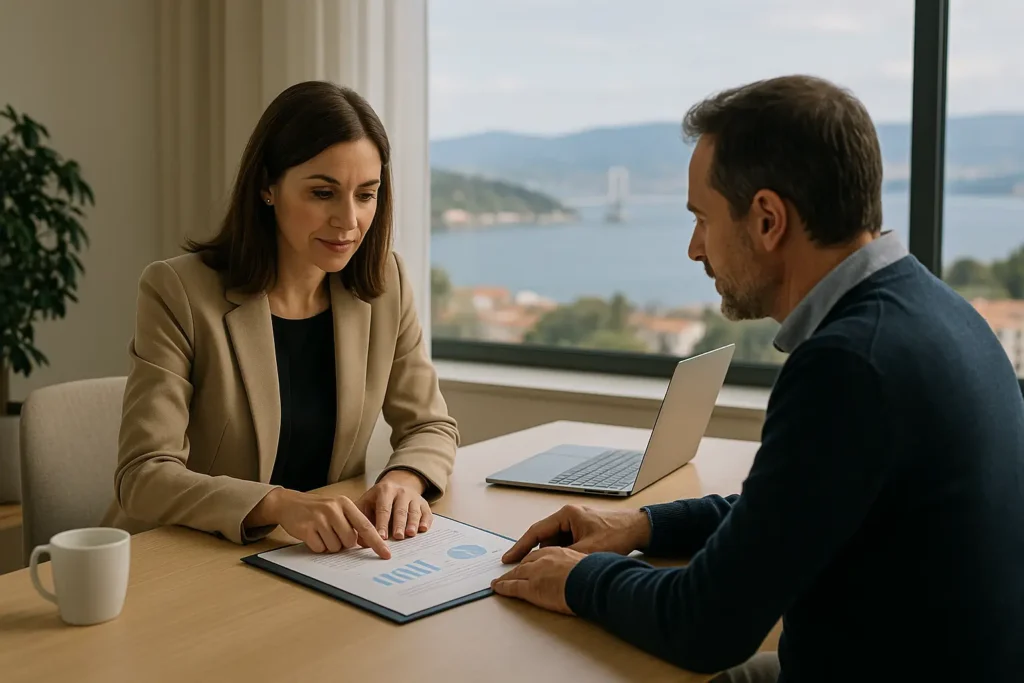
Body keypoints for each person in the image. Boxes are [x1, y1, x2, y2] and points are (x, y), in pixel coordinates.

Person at [490, 75, 1024, 682]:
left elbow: (703, 625)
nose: (695, 249)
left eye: (703, 219)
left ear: (768, 219)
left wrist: (579, 577)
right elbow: (789, 513)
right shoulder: (938, 312)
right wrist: (644, 526)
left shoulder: (849, 365)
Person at [103, 82, 458, 559]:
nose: (349, 220)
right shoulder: (177, 291)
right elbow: (143, 474)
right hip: (185, 556)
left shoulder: (385, 283)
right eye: (323, 193)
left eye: (366, 195)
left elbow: (430, 425)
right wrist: (277, 505)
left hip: (317, 557)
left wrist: (404, 479)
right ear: (267, 187)